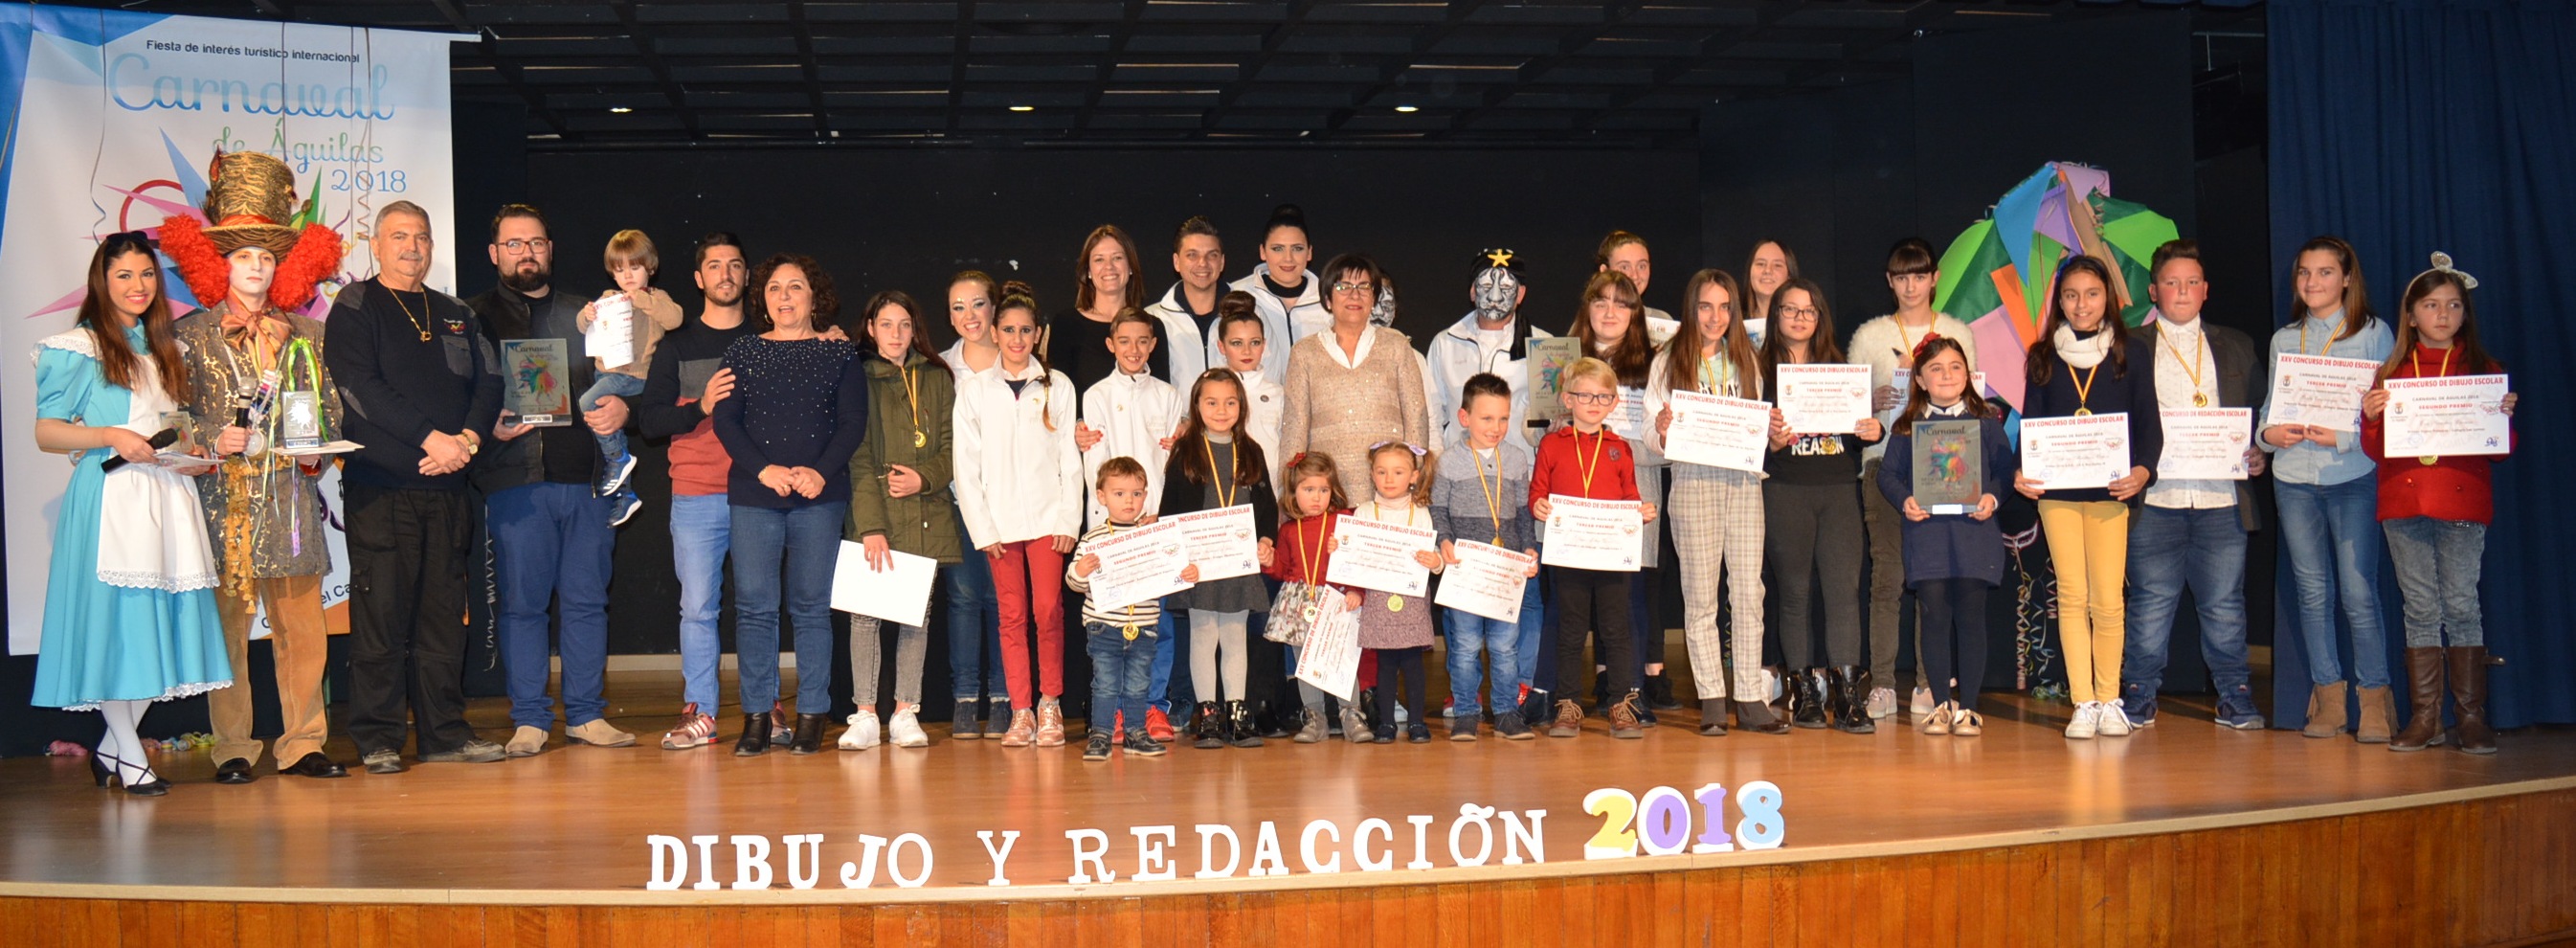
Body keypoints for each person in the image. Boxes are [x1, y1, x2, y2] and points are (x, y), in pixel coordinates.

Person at [164, 151, 348, 781]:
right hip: (226, 505)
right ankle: (234, 748)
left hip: (292, 504)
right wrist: (214, 439)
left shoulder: (307, 336)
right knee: (228, 632)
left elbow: (327, 408)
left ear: (280, 265)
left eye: (266, 257)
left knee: (303, 631)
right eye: (243, 256)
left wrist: (321, 444)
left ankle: (303, 742)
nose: (256, 267)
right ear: (222, 264)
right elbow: (174, 416)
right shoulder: (190, 336)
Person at [29, 233, 231, 795]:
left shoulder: (167, 348)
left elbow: (173, 424)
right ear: (102, 281)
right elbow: (47, 430)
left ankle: (112, 747)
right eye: (124, 276)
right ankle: (131, 759)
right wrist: (110, 434)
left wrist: (192, 458)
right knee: (119, 631)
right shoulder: (76, 347)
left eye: (146, 275)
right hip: (111, 498)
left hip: (168, 496)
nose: (137, 286)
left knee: (161, 629)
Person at [325, 201, 505, 774]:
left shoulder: (456, 312)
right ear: (374, 245)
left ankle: (444, 733)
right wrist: (432, 440)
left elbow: (491, 382)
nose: (412, 247)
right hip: (382, 490)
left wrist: (469, 442)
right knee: (381, 620)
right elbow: (360, 389)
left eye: (421, 237)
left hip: (450, 489)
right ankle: (378, 738)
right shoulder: (355, 306)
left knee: (443, 618)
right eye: (399, 236)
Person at [467, 204, 634, 756]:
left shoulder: (587, 314)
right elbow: (456, 400)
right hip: (515, 482)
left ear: (550, 250)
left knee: (588, 602)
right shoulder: (470, 318)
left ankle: (586, 715)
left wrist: (620, 413)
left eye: (536, 243)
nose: (527, 253)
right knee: (522, 606)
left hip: (587, 481)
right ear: (494, 254)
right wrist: (483, 428)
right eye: (514, 244)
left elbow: (624, 381)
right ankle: (530, 719)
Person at [711, 253, 870, 756]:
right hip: (755, 495)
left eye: (795, 287)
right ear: (763, 298)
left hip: (818, 497)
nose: (784, 297)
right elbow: (726, 420)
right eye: (775, 288)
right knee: (756, 609)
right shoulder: (742, 351)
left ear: (813, 297)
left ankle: (811, 717)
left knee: (810, 609)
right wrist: (765, 470)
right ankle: (757, 716)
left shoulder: (839, 354)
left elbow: (852, 424)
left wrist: (818, 473)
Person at [2361, 253, 2515, 755]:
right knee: (2421, 607)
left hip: (2462, 504)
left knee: (2463, 605)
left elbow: (2503, 448)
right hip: (2405, 505)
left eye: (2452, 305)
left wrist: (2502, 415)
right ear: (2411, 315)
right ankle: (2425, 718)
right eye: (2431, 305)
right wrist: (2370, 416)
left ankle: (2471, 717)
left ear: (2465, 314)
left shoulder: (2484, 371)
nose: (2442, 315)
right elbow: (2374, 449)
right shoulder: (2391, 370)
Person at [2118, 239, 2271, 733]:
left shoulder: (2238, 343)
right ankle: (2138, 696)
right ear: (2153, 290)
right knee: (2149, 603)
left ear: (2205, 291)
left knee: (2225, 606)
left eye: (2191, 282)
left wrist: (2259, 451)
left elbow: (2265, 414)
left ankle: (2235, 698)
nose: (2181, 291)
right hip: (2155, 499)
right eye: (2170, 282)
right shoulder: (2127, 344)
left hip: (2221, 498)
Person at [2015, 255, 2162, 741]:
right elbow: (2031, 426)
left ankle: (2109, 699)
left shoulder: (2131, 351)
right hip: (2056, 494)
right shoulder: (2041, 355)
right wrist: (2022, 471)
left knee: (2108, 600)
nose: (2082, 304)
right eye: (2071, 295)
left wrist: (2143, 469)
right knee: (2072, 596)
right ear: (2059, 301)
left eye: (2092, 294)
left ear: (2109, 299)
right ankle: (2082, 702)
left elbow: (2149, 424)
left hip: (2111, 490)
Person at [2259, 236, 2397, 741]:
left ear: (2346, 279)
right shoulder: (2283, 339)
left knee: (2359, 593)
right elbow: (2270, 412)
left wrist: (2341, 437)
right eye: (2304, 273)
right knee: (2313, 594)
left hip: (2351, 476)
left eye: (2323, 272)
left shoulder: (2374, 335)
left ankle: (2376, 703)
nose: (2312, 282)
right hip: (2293, 478)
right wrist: (2269, 436)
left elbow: (2389, 414)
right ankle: (2328, 702)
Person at [1650, 269, 1789, 736]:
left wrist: (1774, 430)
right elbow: (1652, 432)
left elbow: (1762, 421)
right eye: (1706, 307)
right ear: (1692, 310)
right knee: (1701, 594)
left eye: (1725, 307)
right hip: (1692, 480)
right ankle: (1712, 696)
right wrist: (1662, 429)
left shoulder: (1746, 357)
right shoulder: (1668, 360)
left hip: (1744, 482)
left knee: (1750, 592)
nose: (1715, 317)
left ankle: (1749, 697)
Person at [637, 232, 758, 750]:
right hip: (697, 493)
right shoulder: (677, 345)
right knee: (698, 610)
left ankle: (763, 709)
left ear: (747, 276)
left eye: (734, 265)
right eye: (714, 266)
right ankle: (701, 714)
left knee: (759, 607)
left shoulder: (769, 340)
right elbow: (650, 421)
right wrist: (701, 406)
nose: (725, 274)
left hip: (760, 494)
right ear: (698, 279)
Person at [1848, 237, 1977, 719]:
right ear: (1889, 282)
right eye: (1901, 276)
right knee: (1889, 577)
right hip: (1885, 466)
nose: (1910, 285)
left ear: (1934, 278)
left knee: (1934, 580)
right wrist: (1873, 401)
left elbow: (1972, 394)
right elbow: (1847, 409)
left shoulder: (1956, 329)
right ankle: (1882, 683)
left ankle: (1929, 682)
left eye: (1919, 275)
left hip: (1945, 467)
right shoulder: (1870, 335)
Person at [953, 282, 1085, 748]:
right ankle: (1022, 711)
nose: (1015, 339)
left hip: (1049, 524)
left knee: (1048, 612)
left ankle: (1051, 703)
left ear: (1038, 334)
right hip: (1000, 527)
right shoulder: (973, 391)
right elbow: (965, 467)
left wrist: (1069, 521)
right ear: (993, 330)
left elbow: (1072, 460)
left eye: (1024, 330)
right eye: (1007, 329)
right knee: (1011, 617)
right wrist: (982, 528)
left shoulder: (1058, 386)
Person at [1753, 277, 1886, 734]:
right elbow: (1745, 438)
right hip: (1785, 488)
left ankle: (1849, 697)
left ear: (1820, 318)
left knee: (1842, 591)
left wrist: (1873, 431)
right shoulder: (1757, 370)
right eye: (1790, 310)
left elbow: (1861, 429)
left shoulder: (1840, 368)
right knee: (1792, 593)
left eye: (1808, 311)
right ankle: (1805, 693)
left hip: (1836, 489)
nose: (1799, 318)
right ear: (1776, 316)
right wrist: (1766, 438)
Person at [841, 290, 959, 751]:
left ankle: (906, 711)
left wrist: (924, 479)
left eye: (904, 325)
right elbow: (856, 456)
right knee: (865, 617)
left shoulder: (937, 377)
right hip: (875, 512)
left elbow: (954, 449)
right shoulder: (856, 377)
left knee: (917, 618)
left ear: (916, 330)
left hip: (925, 510)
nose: (895, 334)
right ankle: (865, 714)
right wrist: (870, 525)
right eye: (886, 324)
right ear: (870, 328)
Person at [1877, 337, 2011, 737]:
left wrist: (1992, 496)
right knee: (1933, 617)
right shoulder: (1906, 427)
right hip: (1929, 534)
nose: (1947, 376)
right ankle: (1939, 705)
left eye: (1955, 367)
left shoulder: (1986, 422)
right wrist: (1905, 501)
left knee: (1971, 618)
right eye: (1936, 369)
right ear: (1919, 378)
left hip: (1974, 533)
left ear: (1968, 375)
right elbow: (1887, 475)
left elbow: (2006, 471)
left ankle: (1968, 708)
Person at [1532, 356, 1658, 738]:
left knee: (1616, 630)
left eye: (1603, 397)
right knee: (1569, 630)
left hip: (1610, 557)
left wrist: (1642, 511)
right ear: (1567, 399)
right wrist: (1538, 504)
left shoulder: (1620, 447)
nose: (1593, 403)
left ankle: (1621, 703)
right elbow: (1539, 490)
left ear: (1615, 403)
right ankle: (1567, 705)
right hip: (1568, 554)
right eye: (1584, 395)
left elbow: (1630, 497)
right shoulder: (1551, 445)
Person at [1074, 308, 1185, 737]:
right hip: (1113, 527)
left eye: (1143, 341)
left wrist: (1156, 513)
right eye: (1125, 341)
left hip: (1154, 524)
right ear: (1111, 345)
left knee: (1156, 623)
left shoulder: (1169, 395)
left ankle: (1152, 707)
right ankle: (1118, 712)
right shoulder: (1097, 395)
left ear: (1153, 344)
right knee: (1114, 625)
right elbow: (1097, 465)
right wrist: (1110, 519)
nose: (1134, 349)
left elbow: (1170, 463)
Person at [1159, 370, 1281, 748]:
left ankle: (1237, 713)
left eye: (1230, 402)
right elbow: (1169, 511)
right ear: (1196, 406)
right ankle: (1208, 714)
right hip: (1200, 564)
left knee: (1234, 637)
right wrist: (1177, 555)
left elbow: (1266, 507)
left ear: (1242, 406)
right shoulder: (1185, 452)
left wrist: (1265, 540)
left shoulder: (1252, 450)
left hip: (1239, 563)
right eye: (1211, 402)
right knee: (1202, 635)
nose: (1221, 409)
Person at [1570, 271, 1671, 718]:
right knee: (1581, 599)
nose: (1610, 312)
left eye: (1622, 303)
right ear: (1587, 308)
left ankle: (1631, 693)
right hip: (1578, 494)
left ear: (1635, 314)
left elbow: (1664, 448)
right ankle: (1594, 691)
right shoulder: (1561, 359)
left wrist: (1661, 437)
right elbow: (1536, 428)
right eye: (1601, 301)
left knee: (1631, 596)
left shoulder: (1657, 363)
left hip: (1635, 488)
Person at [1430, 372, 1542, 741]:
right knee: (1463, 645)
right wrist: (1444, 540)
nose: (1496, 427)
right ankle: (1465, 712)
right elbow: (1438, 509)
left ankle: (1507, 712)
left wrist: (1528, 547)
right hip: (1464, 569)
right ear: (1465, 418)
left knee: (1504, 645)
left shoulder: (1515, 459)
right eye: (1486, 418)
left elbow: (1525, 511)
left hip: (1504, 570)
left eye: (1503, 418)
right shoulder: (1449, 461)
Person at [1279, 253, 1430, 503]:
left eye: (1364, 287)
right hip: (1326, 494)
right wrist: (1289, 494)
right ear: (1328, 299)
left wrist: (1415, 481)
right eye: (1343, 287)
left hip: (1389, 496)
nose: (1354, 295)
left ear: (1373, 298)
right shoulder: (1304, 353)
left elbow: (1417, 418)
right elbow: (1294, 428)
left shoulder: (1396, 345)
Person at [1065, 457, 1188, 760]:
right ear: (1102, 496)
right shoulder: (1093, 539)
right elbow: (1074, 584)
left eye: (1136, 493)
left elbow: (1167, 580)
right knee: (1105, 685)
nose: (1129, 501)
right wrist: (1081, 570)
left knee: (1138, 684)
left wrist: (1184, 574)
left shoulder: (1152, 537)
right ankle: (1101, 735)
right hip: (1104, 626)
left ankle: (1135, 733)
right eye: (1119, 494)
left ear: (1146, 496)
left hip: (1144, 626)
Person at [937, 271, 1012, 737]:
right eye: (958, 307)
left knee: (1002, 601)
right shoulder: (940, 367)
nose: (969, 315)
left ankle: (1004, 696)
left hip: (1011, 505)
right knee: (963, 599)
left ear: (994, 308)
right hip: (958, 502)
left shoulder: (1017, 361)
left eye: (978, 304)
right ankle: (966, 699)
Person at [572, 229, 683, 527]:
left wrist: (641, 300)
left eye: (635, 267)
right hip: (605, 371)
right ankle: (625, 494)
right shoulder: (609, 297)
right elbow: (583, 327)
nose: (628, 276)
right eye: (620, 270)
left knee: (586, 403)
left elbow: (675, 319)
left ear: (649, 267)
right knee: (607, 424)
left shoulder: (655, 298)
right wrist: (587, 315)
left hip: (633, 376)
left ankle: (619, 460)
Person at [1351, 440, 1445, 743]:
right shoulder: (1363, 512)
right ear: (1372, 474)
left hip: (1412, 599)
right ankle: (1387, 723)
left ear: (1414, 476)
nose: (1389, 479)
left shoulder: (1422, 512)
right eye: (1381, 472)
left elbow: (1435, 555)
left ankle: (1417, 722)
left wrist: (1436, 562)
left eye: (1398, 472)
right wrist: (1340, 547)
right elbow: (1352, 555)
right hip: (1378, 599)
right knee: (1386, 664)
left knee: (1413, 663)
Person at [1268, 451, 1364, 742]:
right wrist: (1267, 560)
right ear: (1293, 491)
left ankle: (1351, 714)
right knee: (1305, 663)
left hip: (1336, 600)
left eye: (1323, 490)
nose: (1316, 497)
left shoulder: (1344, 520)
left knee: (1341, 658)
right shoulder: (1288, 529)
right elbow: (1282, 570)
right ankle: (1315, 716)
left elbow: (1360, 559)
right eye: (1308, 490)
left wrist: (1356, 590)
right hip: (1299, 603)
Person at [1427, 249, 1556, 449]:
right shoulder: (1445, 343)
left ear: (1520, 294)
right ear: (1472, 291)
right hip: (1458, 471)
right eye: (1486, 285)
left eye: (1505, 287)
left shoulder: (1543, 346)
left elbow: (1546, 420)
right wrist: (1435, 467)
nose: (1494, 297)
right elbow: (1432, 416)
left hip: (1519, 472)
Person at [1050, 224, 1165, 390]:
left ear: (1131, 266)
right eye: (1099, 259)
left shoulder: (1153, 327)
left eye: (1117, 258)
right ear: (1088, 271)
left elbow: (1162, 394)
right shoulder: (1066, 324)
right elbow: (1057, 394)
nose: (1109, 266)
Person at [1219, 204, 1324, 380]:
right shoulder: (1237, 294)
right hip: (1255, 405)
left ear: (1309, 253)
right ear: (1262, 251)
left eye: (1297, 248)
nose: (1288, 258)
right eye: (1278, 249)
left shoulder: (1329, 300)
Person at [1145, 215, 1223, 386]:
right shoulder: (1152, 320)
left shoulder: (1251, 313)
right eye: (1192, 255)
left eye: (1212, 255)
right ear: (1176, 262)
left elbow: (1266, 377)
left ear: (1222, 262)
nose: (1202, 263)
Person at [1597, 231, 1678, 345]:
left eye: (1641, 266)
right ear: (1604, 271)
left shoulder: (1663, 321)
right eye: (1624, 267)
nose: (1635, 275)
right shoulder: (1593, 323)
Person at [1742, 239, 1799, 331]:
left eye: (1777, 265)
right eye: (1760, 264)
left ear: (1789, 275)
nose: (1767, 270)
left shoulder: (1801, 322)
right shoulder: (1732, 323)